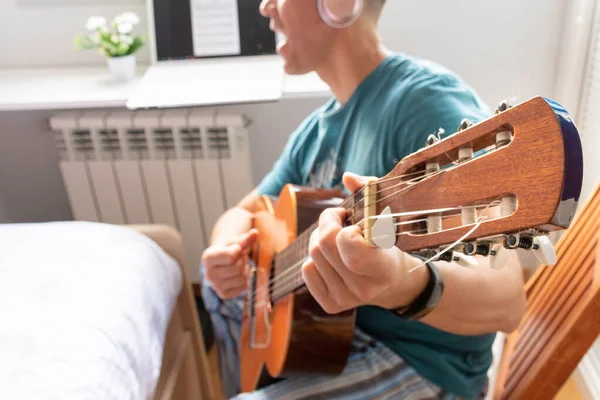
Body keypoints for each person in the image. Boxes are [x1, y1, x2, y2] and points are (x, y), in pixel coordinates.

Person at [200, 0, 527, 399]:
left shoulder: (424, 102)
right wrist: (224, 249)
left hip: (422, 363)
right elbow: (242, 212)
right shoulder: (313, 132)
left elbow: (508, 302)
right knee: (218, 292)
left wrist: (403, 284)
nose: (266, 7)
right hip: (334, 336)